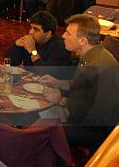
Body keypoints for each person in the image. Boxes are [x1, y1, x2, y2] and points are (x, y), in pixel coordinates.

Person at [41, 14, 118, 149]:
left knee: (40, 126)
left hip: (93, 129)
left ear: (82, 41)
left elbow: (97, 113)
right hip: (82, 117)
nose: (63, 36)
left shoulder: (98, 65)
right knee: (41, 110)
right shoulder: (92, 55)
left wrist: (60, 100)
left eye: (68, 33)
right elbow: (79, 85)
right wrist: (57, 82)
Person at [4, 11, 72, 72]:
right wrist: (16, 46)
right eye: (31, 27)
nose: (31, 32)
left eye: (36, 29)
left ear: (48, 33)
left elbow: (47, 73)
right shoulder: (33, 40)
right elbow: (9, 63)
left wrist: (33, 51)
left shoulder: (60, 47)